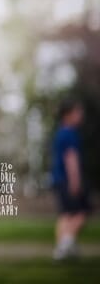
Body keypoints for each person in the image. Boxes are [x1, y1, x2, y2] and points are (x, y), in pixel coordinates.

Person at [51, 97, 91, 260]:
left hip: (58, 179)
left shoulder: (60, 133)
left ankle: (64, 249)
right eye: (77, 111)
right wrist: (75, 182)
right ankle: (64, 246)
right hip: (68, 179)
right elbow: (71, 159)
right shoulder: (70, 135)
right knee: (81, 213)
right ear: (67, 115)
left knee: (66, 215)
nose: (81, 115)